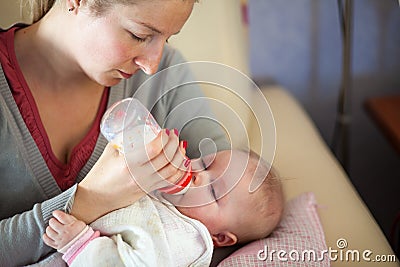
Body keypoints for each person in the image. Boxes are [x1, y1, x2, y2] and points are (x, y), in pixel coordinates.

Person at [0, 0, 231, 265]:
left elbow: (241, 211)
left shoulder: (165, 77)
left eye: (165, 40)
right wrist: (91, 200)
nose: (151, 65)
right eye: (140, 35)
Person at [40, 149, 284, 266]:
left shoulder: (182, 241)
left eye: (213, 192)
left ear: (219, 237)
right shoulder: (171, 198)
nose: (198, 174)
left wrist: (79, 243)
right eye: (205, 162)